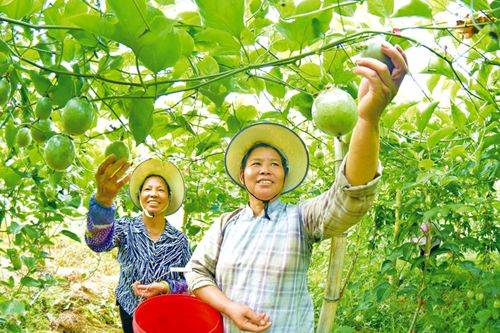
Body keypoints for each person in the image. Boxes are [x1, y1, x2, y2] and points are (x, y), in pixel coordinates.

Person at [185, 43, 408, 332]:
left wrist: (368, 117)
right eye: (256, 164)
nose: (265, 169)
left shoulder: (300, 218)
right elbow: (196, 272)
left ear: (284, 177)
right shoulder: (226, 224)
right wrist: (230, 308)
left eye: (275, 165)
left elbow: (350, 197)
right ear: (242, 176)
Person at [85, 156, 192, 333]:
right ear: (140, 195)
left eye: (161, 190)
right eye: (147, 189)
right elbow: (96, 243)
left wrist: (166, 287)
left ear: (169, 197)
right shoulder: (125, 228)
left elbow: (190, 282)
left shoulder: (179, 240)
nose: (153, 194)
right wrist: (102, 204)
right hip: (130, 309)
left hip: (166, 314)